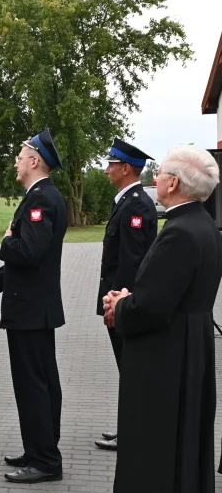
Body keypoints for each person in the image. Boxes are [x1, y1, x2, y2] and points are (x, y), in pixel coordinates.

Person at [102, 145, 221, 493]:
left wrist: (121, 304)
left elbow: (151, 308)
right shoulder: (204, 225)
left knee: (155, 445)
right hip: (189, 345)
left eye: (161, 173)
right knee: (184, 441)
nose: (155, 179)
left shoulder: (179, 233)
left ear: (173, 183)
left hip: (166, 357)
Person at [0, 128, 67, 484]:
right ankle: (38, 448)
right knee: (38, 383)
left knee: (34, 385)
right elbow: (27, 264)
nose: (15, 162)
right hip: (33, 308)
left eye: (20, 156)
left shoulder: (40, 200)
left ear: (35, 161)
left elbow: (27, 253)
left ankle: (45, 461)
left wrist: (6, 242)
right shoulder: (42, 196)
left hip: (30, 311)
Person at [93, 138, 158, 451]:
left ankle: (134, 432)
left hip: (123, 303)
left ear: (126, 168)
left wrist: (118, 305)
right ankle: (129, 428)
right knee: (128, 368)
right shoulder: (127, 201)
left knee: (132, 370)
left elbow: (132, 261)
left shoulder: (135, 204)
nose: (106, 170)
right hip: (119, 300)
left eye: (111, 165)